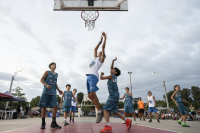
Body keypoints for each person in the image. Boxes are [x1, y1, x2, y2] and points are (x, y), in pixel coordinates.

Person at [99, 57, 132, 133]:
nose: (111, 70)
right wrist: (112, 61)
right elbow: (111, 68)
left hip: (113, 95)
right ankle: (127, 120)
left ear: (115, 72)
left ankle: (108, 126)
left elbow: (101, 78)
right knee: (115, 111)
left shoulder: (111, 76)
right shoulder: (113, 76)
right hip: (115, 95)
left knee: (105, 109)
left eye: (113, 69)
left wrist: (101, 74)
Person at [86, 32, 107, 123]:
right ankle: (99, 110)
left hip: (94, 76)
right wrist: (100, 41)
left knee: (92, 93)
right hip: (88, 76)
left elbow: (102, 47)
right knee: (90, 95)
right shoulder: (95, 58)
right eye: (99, 52)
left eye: (101, 53)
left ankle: (99, 112)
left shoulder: (101, 60)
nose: (99, 52)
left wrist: (105, 39)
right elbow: (95, 48)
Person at [39, 62, 63, 129]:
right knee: (44, 107)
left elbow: (55, 83)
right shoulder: (47, 72)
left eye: (55, 65)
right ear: (50, 66)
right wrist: (46, 85)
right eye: (53, 65)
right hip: (46, 92)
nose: (54, 65)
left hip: (53, 92)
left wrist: (58, 90)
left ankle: (53, 123)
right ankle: (43, 123)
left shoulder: (56, 74)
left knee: (55, 106)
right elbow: (41, 80)